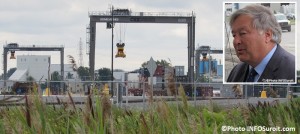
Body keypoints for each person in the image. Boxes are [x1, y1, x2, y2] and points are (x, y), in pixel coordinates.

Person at [227, 4, 295, 83]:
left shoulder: (292, 72)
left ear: (267, 35)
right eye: (234, 35)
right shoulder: (236, 72)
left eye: (242, 33)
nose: (236, 41)